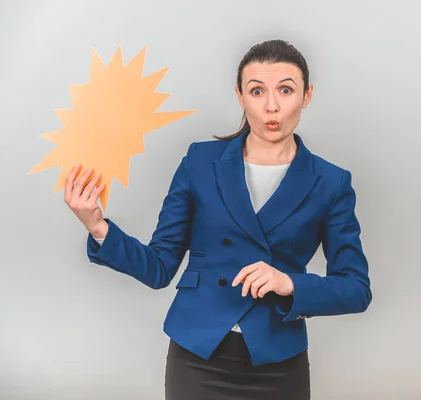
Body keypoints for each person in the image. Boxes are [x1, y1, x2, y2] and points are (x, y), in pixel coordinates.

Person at [64, 39, 372, 400]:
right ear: (240, 96)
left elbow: (356, 288)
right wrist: (97, 226)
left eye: (285, 90)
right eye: (257, 91)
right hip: (197, 353)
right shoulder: (200, 162)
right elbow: (159, 267)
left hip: (277, 357)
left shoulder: (331, 182)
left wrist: (290, 283)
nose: (271, 106)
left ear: (306, 95)